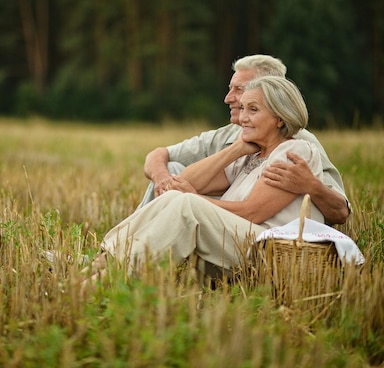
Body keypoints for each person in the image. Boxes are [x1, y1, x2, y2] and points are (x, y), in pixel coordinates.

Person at [85, 76, 325, 282]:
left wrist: (194, 198)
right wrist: (237, 149)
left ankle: (114, 278)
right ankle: (101, 264)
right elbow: (182, 182)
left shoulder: (294, 152)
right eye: (242, 109)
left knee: (187, 204)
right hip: (238, 240)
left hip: (266, 250)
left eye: (253, 110)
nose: (242, 117)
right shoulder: (250, 155)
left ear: (279, 118)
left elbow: (252, 213)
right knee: (176, 197)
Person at [138, 55, 350, 225]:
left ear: (273, 95)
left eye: (239, 89)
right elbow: (158, 155)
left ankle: (128, 255)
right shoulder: (231, 133)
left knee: (180, 198)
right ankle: (127, 248)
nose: (228, 98)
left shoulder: (299, 144)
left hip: (246, 227)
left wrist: (312, 186)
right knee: (172, 171)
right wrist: (163, 179)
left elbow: (340, 212)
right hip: (227, 212)